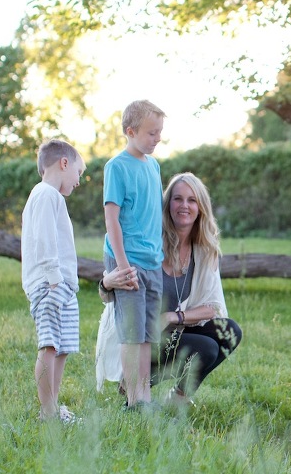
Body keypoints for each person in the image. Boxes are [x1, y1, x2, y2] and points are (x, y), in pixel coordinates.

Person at [100, 172, 242, 406]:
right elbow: (108, 294)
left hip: (169, 328)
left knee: (231, 331)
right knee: (206, 348)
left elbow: (213, 307)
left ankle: (177, 399)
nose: (184, 206)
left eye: (192, 200)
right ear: (167, 205)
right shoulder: (149, 241)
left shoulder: (204, 250)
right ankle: (134, 385)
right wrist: (106, 283)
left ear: (200, 208)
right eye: (178, 199)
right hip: (140, 336)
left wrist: (171, 317)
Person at [103, 99, 166, 410]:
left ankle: (145, 398)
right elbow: (111, 219)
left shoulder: (153, 166)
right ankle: (132, 401)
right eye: (152, 133)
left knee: (147, 335)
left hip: (153, 261)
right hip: (127, 261)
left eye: (159, 132)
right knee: (131, 335)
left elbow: (154, 214)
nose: (157, 138)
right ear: (130, 132)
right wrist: (123, 265)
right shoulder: (116, 167)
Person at [21, 139, 86, 423]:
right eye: (78, 173)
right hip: (50, 285)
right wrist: (55, 279)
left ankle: (54, 407)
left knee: (62, 347)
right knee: (49, 345)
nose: (79, 181)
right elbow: (44, 239)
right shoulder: (46, 194)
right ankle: (47, 411)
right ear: (64, 163)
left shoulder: (51, 197)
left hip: (63, 285)